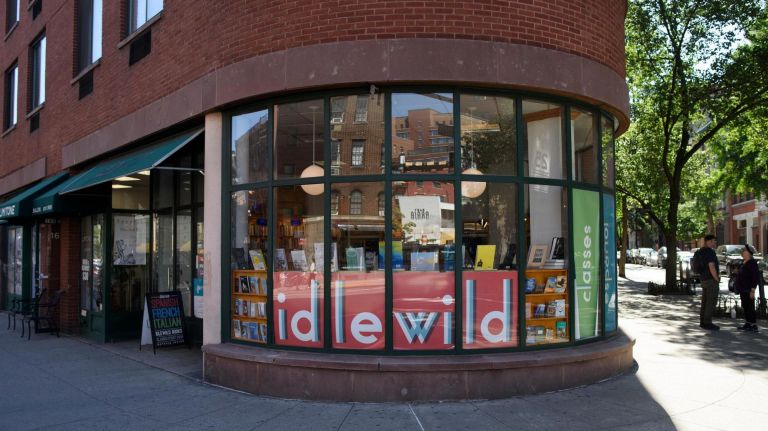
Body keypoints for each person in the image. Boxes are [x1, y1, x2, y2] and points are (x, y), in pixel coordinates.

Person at [734, 244, 759, 332]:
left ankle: (753, 325)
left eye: (744, 250)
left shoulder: (752, 263)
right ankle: (748, 323)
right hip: (742, 288)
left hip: (748, 289)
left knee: (750, 307)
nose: (742, 251)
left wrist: (752, 290)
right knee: (745, 306)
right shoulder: (744, 262)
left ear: (748, 253)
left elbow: (755, 277)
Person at [698, 234, 720, 330]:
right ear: (709, 241)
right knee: (710, 302)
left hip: (703, 279)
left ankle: (703, 321)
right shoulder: (710, 252)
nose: (715, 243)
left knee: (705, 302)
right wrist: (716, 278)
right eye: (714, 241)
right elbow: (711, 266)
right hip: (711, 280)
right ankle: (707, 322)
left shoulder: (700, 251)